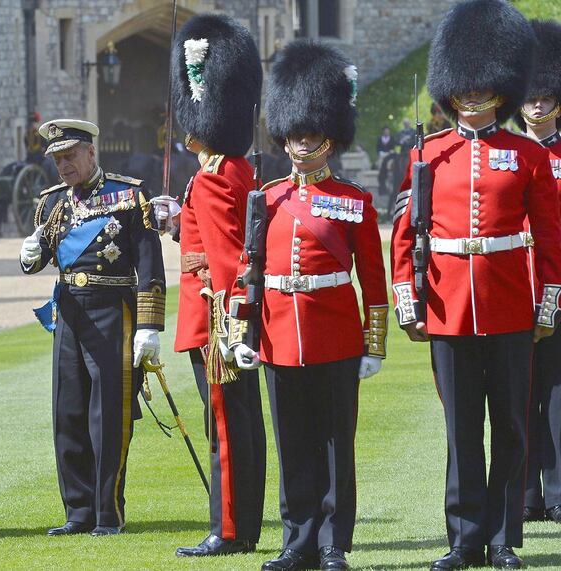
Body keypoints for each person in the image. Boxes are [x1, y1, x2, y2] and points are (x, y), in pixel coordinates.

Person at [390, 2, 561, 569]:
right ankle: (464, 538)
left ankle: (502, 538)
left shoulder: (528, 156)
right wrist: (408, 303)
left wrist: (549, 305)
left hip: (511, 304)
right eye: (462, 87)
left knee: (511, 426)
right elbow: (404, 238)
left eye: (482, 86)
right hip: (448, 307)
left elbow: (552, 241)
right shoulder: (427, 156)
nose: (471, 95)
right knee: (462, 430)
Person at [232, 40, 387, 571]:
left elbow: (373, 277)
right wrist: (239, 334)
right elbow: (246, 270)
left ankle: (332, 543)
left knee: (334, 447)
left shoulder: (352, 201)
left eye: (311, 136)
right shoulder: (268, 197)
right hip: (278, 338)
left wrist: (374, 343)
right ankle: (296, 541)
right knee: (293, 445)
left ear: (329, 139)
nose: (301, 145)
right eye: (295, 136)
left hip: (336, 338)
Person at [153, 14, 267, 558]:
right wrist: (177, 226)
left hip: (217, 321)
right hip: (223, 316)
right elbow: (208, 247)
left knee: (225, 424)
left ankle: (228, 529)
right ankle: (242, 526)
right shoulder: (228, 169)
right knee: (239, 424)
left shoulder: (218, 175)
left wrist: (228, 330)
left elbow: (224, 262)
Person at [19, 119, 166, 537]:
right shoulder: (51, 204)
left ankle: (107, 513)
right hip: (68, 314)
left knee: (109, 418)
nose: (63, 166)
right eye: (57, 159)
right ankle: (77, 512)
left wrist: (148, 326)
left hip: (112, 313)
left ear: (91, 153)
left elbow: (150, 266)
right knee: (68, 414)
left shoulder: (129, 195)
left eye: (69, 156)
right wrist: (28, 256)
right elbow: (41, 257)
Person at [515, 18, 561, 526]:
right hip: (513, 285)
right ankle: (525, 490)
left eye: (545, 97)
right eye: (530, 98)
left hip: (559, 284)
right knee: (518, 394)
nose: (536, 105)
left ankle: (558, 491)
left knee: (557, 392)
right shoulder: (510, 155)